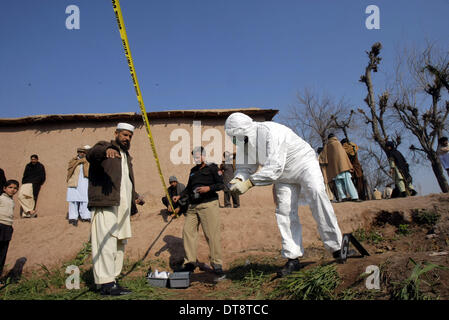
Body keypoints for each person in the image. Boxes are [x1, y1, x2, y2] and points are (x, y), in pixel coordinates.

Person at [224, 113, 344, 277]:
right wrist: (238, 179)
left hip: (303, 164)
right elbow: (245, 168)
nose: (234, 140)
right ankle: (292, 258)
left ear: (245, 130)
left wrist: (249, 183)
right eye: (232, 137)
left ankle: (337, 247)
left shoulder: (270, 132)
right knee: (285, 211)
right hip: (283, 177)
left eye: (235, 136)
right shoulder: (244, 143)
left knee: (317, 194)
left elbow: (274, 168)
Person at [86, 123, 145, 296]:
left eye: (130, 136)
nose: (127, 138)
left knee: (120, 243)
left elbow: (125, 182)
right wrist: (106, 151)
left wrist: (135, 196)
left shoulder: (126, 157)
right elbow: (91, 154)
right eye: (124, 135)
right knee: (106, 242)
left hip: (123, 209)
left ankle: (112, 279)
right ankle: (105, 283)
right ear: (116, 133)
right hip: (106, 204)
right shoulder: (104, 146)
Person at [173, 146, 225, 278]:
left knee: (211, 235)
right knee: (187, 232)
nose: (197, 158)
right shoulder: (193, 171)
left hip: (208, 205)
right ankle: (190, 263)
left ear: (204, 155)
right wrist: (180, 196)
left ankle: (217, 264)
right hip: (192, 207)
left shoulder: (213, 168)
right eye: (194, 156)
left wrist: (209, 188)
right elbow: (189, 188)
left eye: (199, 156)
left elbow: (221, 185)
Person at [319, 134, 361, 202]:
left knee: (338, 183)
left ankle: (343, 197)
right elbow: (344, 155)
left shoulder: (326, 146)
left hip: (334, 169)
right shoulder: (338, 144)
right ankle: (354, 196)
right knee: (348, 181)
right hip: (343, 166)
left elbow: (322, 157)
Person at [66, 145, 92, 226]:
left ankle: (86, 216)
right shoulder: (73, 161)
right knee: (73, 200)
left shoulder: (88, 161)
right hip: (74, 182)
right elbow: (70, 170)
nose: (82, 154)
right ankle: (73, 217)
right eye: (80, 152)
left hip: (84, 182)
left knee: (85, 199)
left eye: (83, 152)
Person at [0, 180, 19, 278]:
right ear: (4, 188)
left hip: (7, 227)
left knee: (2, 254)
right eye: (10, 187)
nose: (13, 190)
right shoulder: (1, 198)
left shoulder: (12, 202)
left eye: (15, 188)